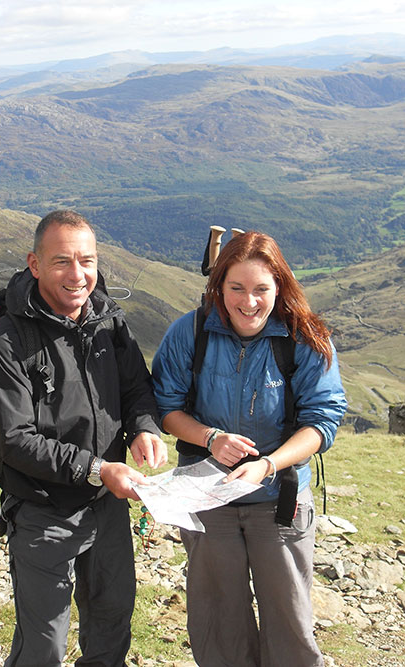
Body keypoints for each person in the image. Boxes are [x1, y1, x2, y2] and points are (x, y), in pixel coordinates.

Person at [0, 209, 167, 667]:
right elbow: (15, 439)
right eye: (62, 261)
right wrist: (99, 469)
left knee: (112, 618)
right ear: (34, 264)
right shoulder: (4, 343)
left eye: (87, 261)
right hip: (43, 511)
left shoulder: (107, 321)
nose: (78, 275)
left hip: (108, 505)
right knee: (44, 644)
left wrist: (144, 428)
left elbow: (137, 386)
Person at [152, 230, 347, 667]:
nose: (249, 301)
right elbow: (165, 407)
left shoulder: (304, 338)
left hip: (279, 501)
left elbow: (322, 421)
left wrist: (268, 465)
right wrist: (210, 438)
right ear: (219, 285)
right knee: (220, 619)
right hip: (208, 498)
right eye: (236, 288)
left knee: (289, 621)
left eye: (261, 289)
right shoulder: (192, 331)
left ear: (280, 286)